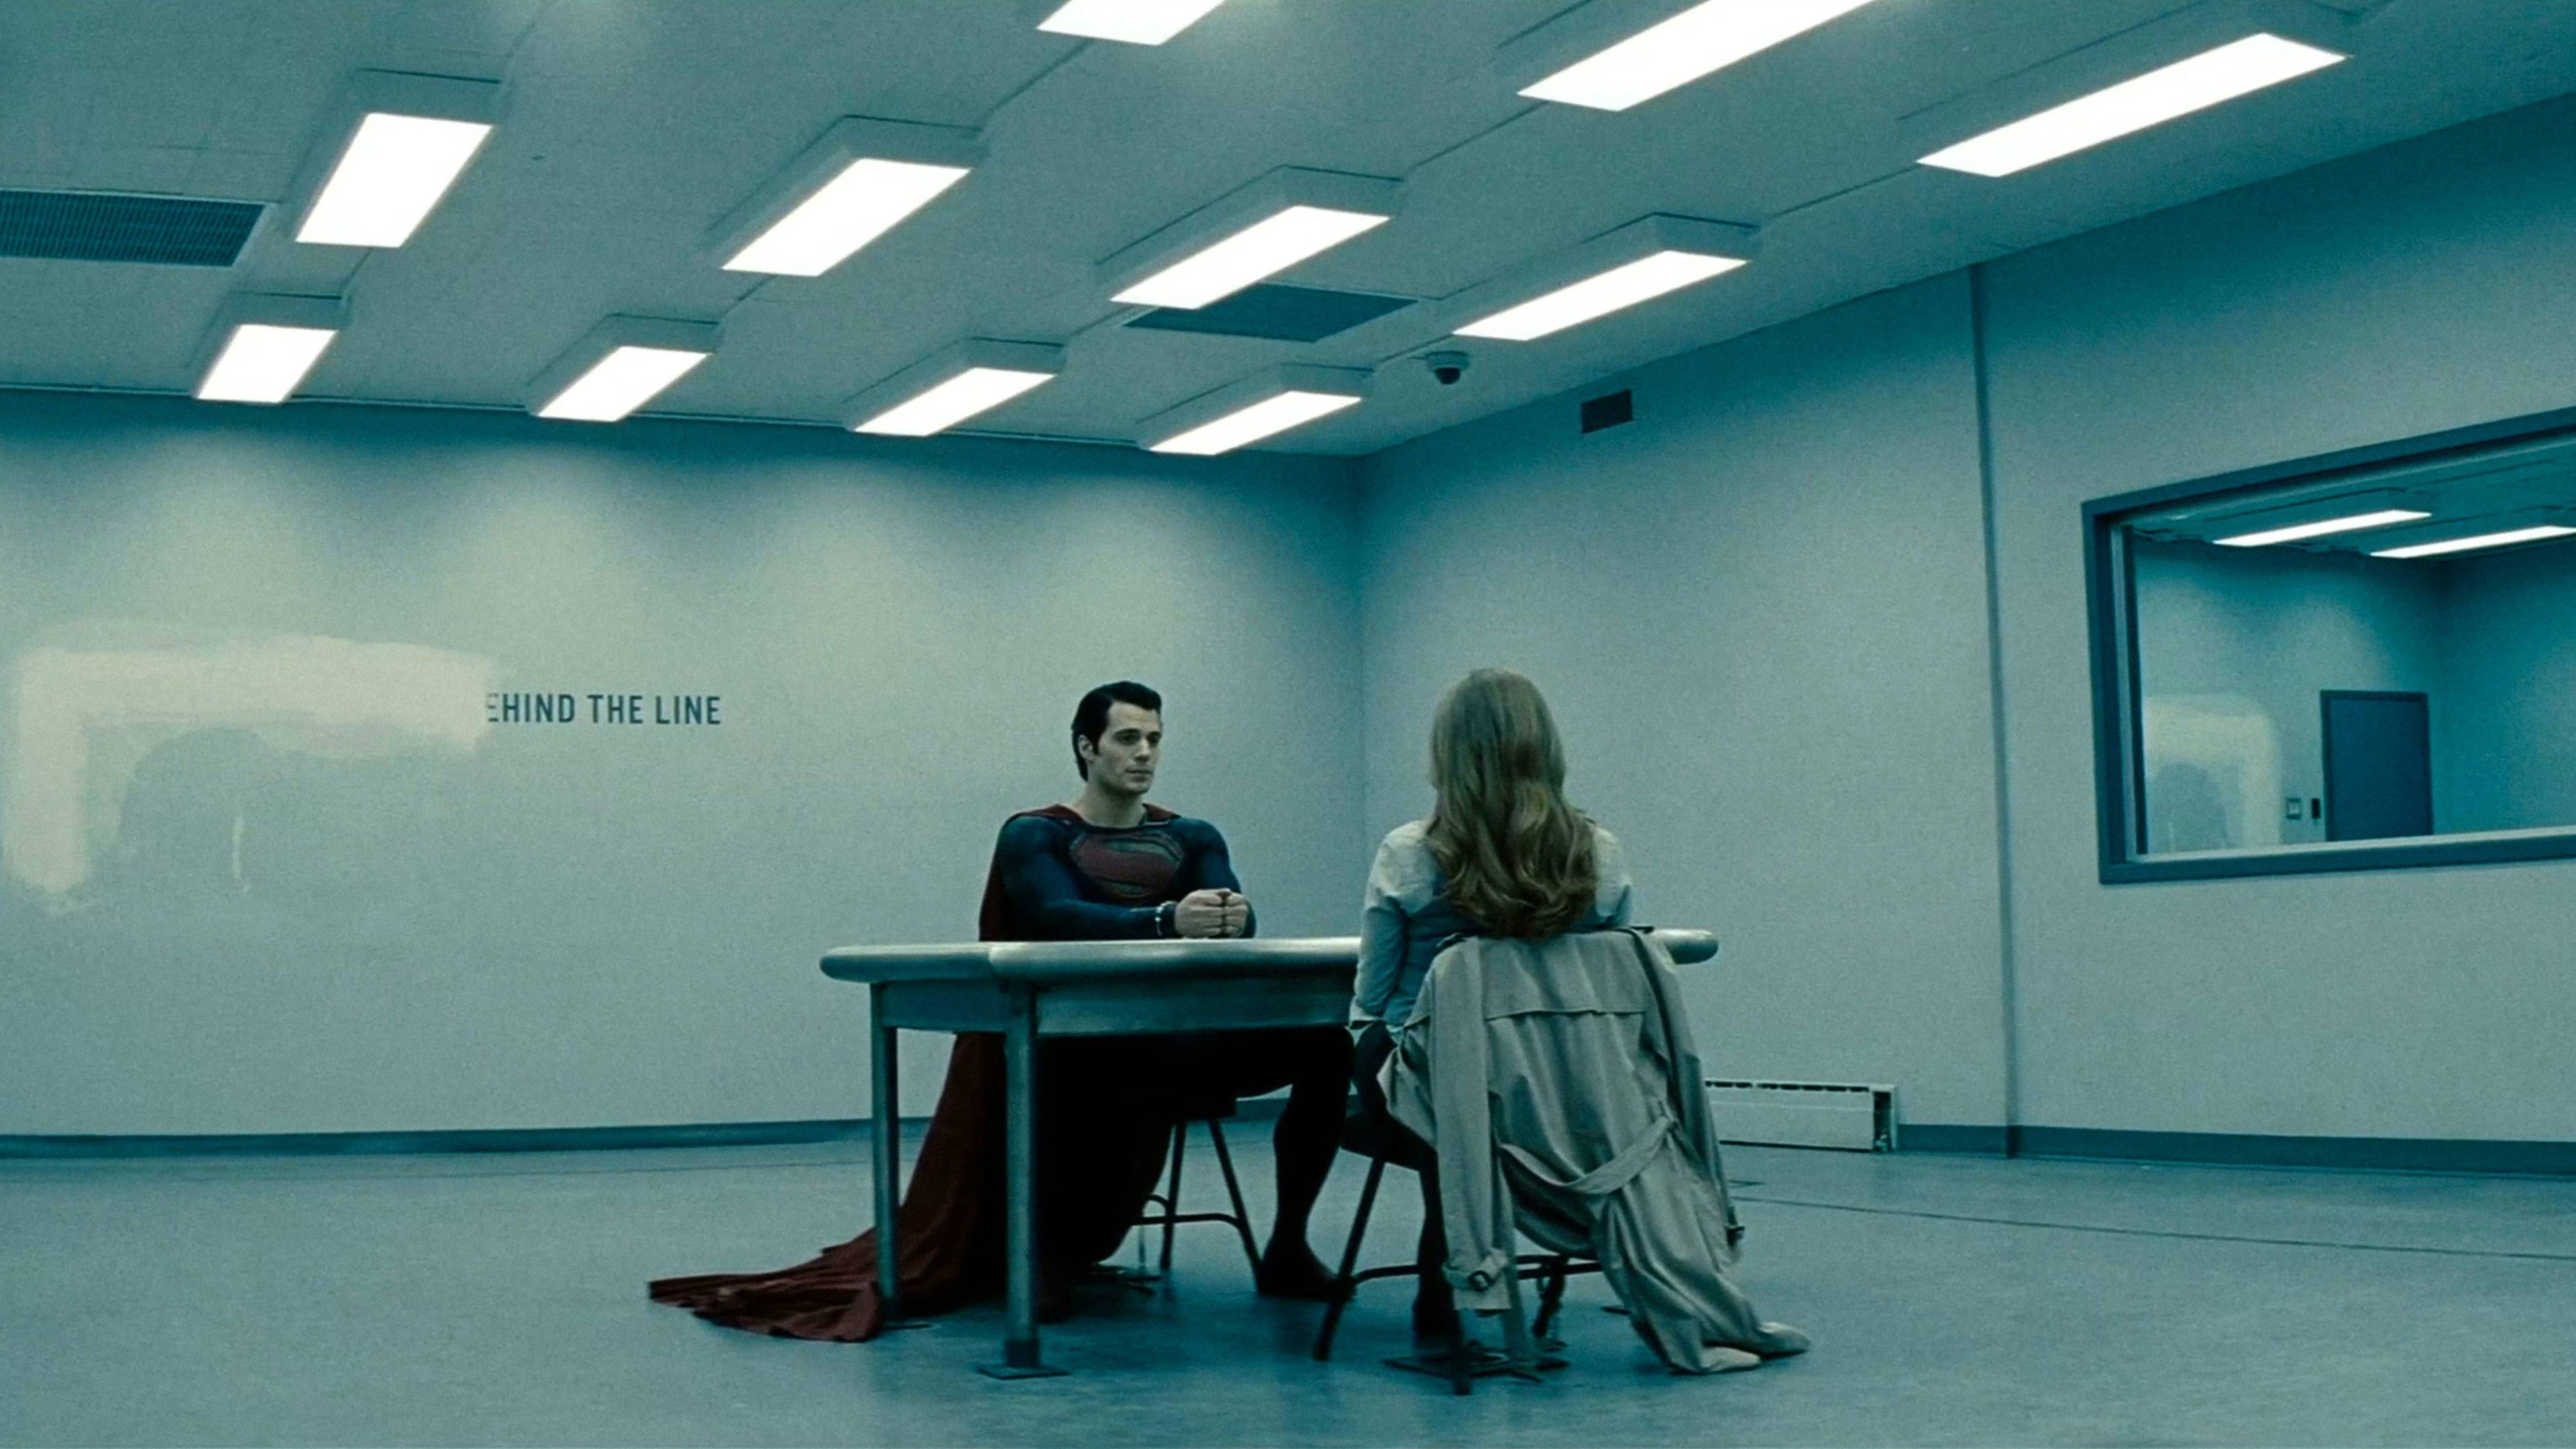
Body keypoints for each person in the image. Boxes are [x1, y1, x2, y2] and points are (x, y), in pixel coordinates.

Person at [649, 681, 1347, 1341]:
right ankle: (1035, 1253)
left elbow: (1229, 910)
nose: (1144, 754)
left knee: (1326, 1045)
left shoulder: (1192, 836)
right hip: (1077, 1046)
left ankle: (1288, 1246)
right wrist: (1167, 919)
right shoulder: (1035, 835)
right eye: (1127, 738)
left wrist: (1229, 914)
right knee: (1054, 1064)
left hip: (1174, 1042)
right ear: (1087, 747)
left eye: (1154, 739)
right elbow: (1053, 917)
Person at [1352, 667, 1806, 1372]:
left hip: (1452, 1097)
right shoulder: (1599, 852)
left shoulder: (1408, 855)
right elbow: (1608, 979)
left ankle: (1446, 1305)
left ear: (1445, 754)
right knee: (1603, 1101)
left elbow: (1374, 995)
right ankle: (1678, 1293)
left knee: (1403, 1077)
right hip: (1574, 1100)